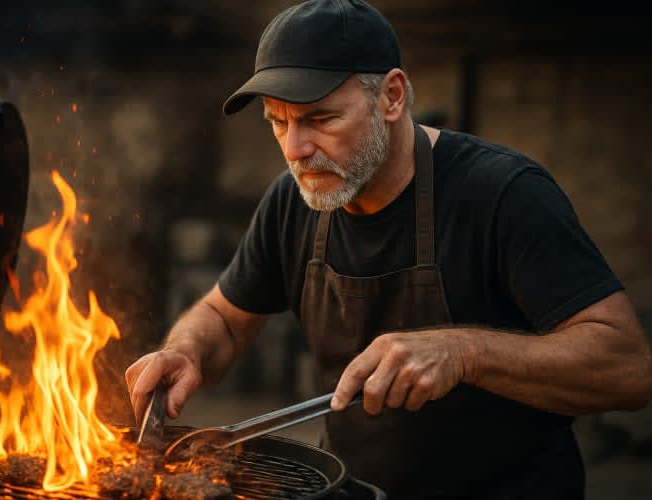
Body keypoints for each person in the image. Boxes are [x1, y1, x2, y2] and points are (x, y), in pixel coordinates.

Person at [125, 1, 652, 498]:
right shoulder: (291, 202)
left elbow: (629, 369)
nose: (294, 149)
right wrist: (186, 350)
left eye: (321, 119)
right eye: (277, 122)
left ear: (392, 97)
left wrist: (464, 353)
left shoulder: (504, 194)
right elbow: (225, 317)